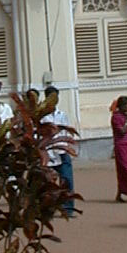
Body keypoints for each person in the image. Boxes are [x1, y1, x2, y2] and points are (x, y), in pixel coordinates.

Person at [42, 84, 75, 216]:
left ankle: (68, 209)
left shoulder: (62, 115)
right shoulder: (42, 117)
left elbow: (66, 132)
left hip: (61, 152)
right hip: (48, 153)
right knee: (48, 183)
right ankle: (47, 208)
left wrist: (67, 148)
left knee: (67, 180)